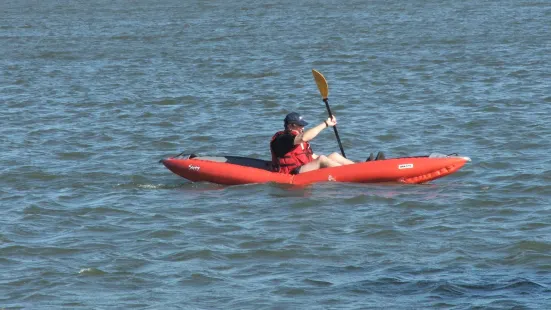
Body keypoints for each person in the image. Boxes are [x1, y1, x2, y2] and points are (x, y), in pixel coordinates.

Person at [270, 112, 356, 174]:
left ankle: (359, 167)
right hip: (292, 172)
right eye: (300, 125)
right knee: (321, 159)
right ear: (290, 126)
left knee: (334, 155)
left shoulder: (298, 138)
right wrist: (326, 124)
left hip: (304, 166)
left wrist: (329, 160)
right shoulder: (283, 139)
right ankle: (351, 173)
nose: (303, 128)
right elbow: (304, 137)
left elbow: (310, 156)